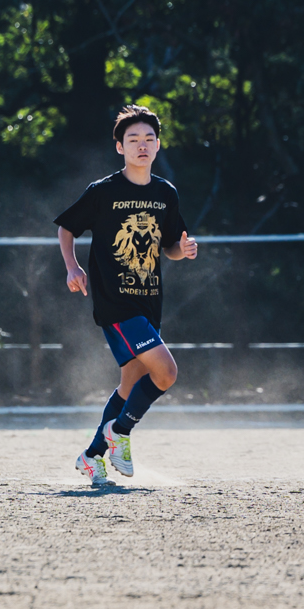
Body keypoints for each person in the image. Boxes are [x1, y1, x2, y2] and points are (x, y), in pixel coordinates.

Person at [55, 105, 197, 486]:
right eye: (133, 139)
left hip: (149, 300)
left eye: (149, 138)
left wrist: (183, 250)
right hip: (115, 301)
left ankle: (92, 456)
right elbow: (66, 228)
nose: (142, 145)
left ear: (158, 144)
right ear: (120, 147)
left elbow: (170, 245)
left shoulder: (165, 193)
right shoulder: (103, 191)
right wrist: (72, 267)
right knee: (166, 372)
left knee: (132, 381)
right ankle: (120, 431)